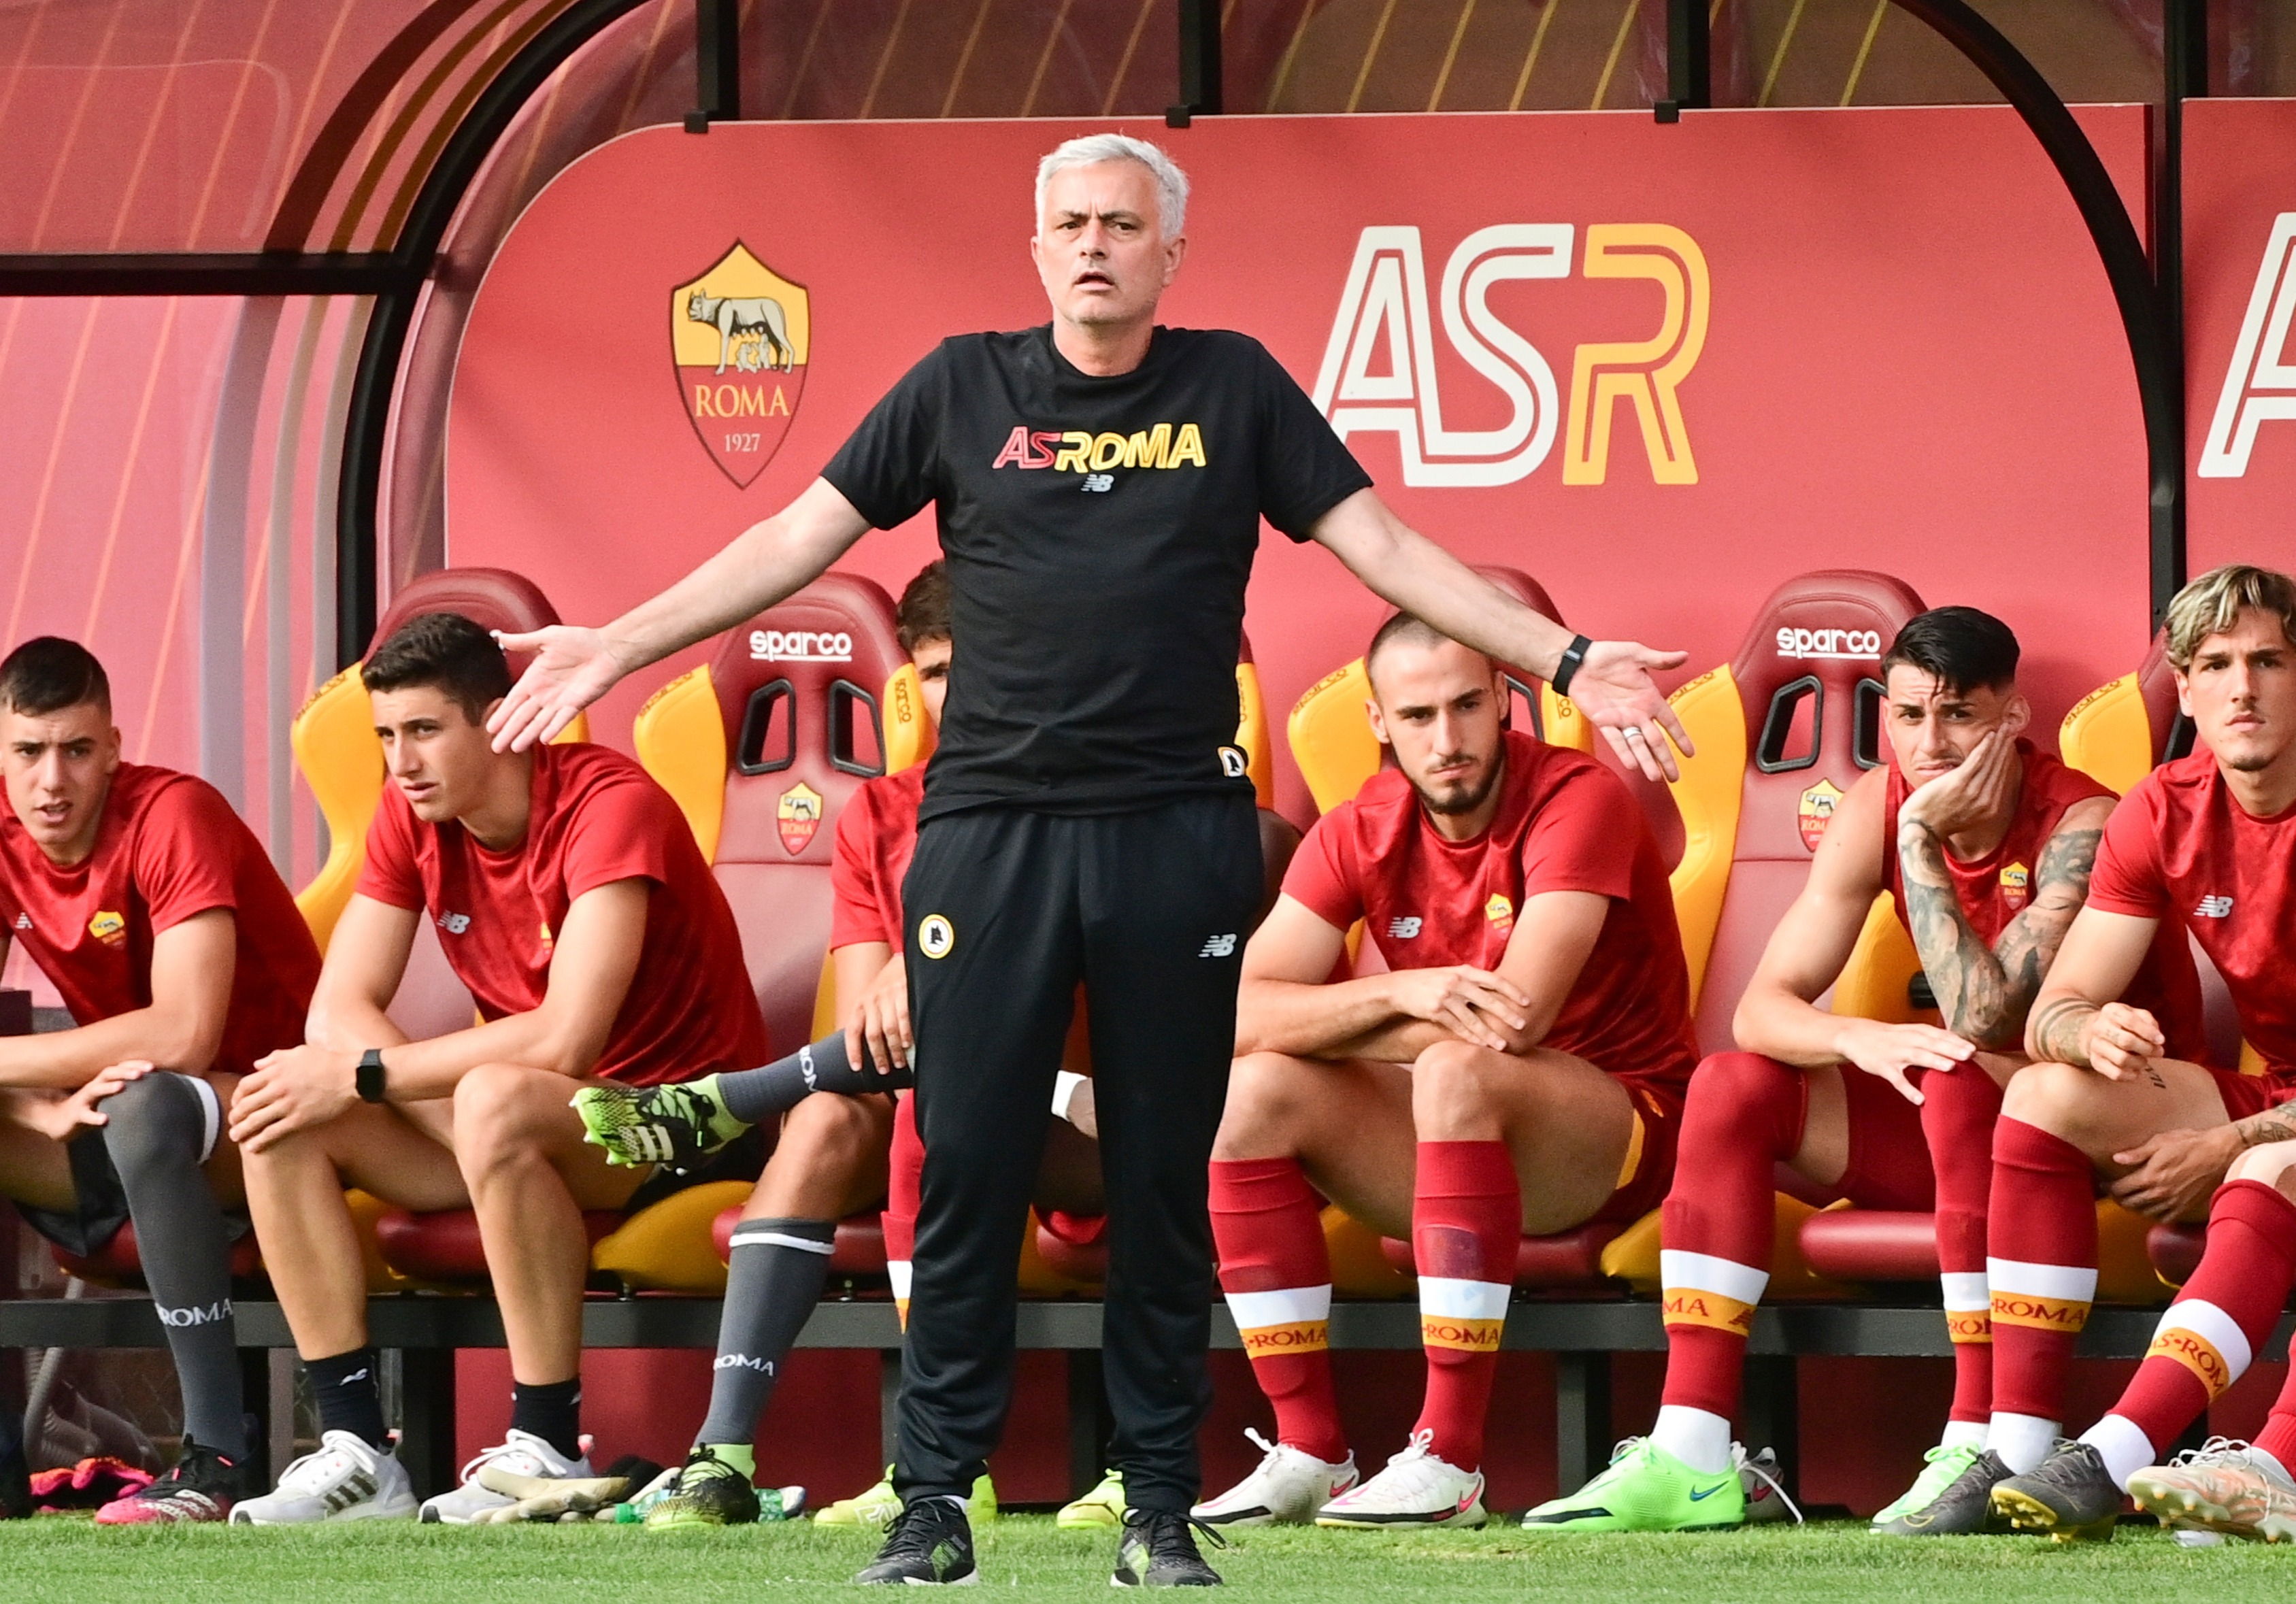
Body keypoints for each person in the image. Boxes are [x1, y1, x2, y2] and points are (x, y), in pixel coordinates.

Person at [486, 132, 1688, 1588]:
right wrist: (617, 640)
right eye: (1069, 224)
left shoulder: (1231, 386)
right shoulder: (955, 386)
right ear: (1037, 245)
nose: (1094, 244)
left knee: (1164, 1180)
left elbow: (1388, 554)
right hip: (988, 835)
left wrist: (1568, 661)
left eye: (1123, 223)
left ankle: (1158, 1511)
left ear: (1168, 251)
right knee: (967, 1167)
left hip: (1170, 836)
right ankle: (932, 1505)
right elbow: (788, 543)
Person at [1526, 606, 2204, 1535]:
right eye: (1911, 714)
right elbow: (1759, 1008)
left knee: (1963, 1069)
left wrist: (1920, 840)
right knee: (1733, 1084)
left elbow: (1988, 1017)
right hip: (1969, 1133)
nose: (1930, 742)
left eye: (1960, 715)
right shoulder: (1872, 804)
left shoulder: (2082, 818)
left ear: (2013, 717)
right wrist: (1859, 1040)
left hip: (2107, 1136)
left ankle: (1980, 1431)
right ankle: (1690, 1448)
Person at [573, 561, 1102, 1530]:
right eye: (938, 672)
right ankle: (721, 1454)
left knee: (932, 1096)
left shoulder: (1082, 793)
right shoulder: (881, 811)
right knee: (826, 1117)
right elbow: (870, 1026)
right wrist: (919, 971)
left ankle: (943, 1458)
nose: (962, 694)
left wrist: (934, 961)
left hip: (1082, 1121)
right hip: (932, 1103)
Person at [226, 613, 768, 1525]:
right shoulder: (411, 814)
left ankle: (546, 1440)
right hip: (527, 1125)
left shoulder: (609, 804)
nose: (401, 761)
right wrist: (415, 1099)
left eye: (427, 730)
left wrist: (370, 1079)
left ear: (505, 718)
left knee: (491, 1095)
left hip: (684, 1122)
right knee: (276, 1107)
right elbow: (335, 1007)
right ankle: (359, 1452)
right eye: (387, 736)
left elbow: (565, 1039)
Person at [1190, 614, 1698, 1531]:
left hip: (1620, 1133)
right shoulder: (1356, 828)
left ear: (1507, 701)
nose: (1449, 738)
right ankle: (1311, 1449)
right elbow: (1231, 1015)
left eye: (1468, 705)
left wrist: (1373, 1016)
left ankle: (1453, 1459)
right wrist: (1407, 994)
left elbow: (1516, 1017)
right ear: (1380, 722)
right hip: (1454, 1141)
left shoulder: (1579, 795)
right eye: (1419, 714)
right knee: (1251, 1091)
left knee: (1458, 1066)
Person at [1985, 565, 2296, 1543]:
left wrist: (2230, 1140)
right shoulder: (2165, 806)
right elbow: (2050, 1013)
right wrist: (2086, 1028)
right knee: (2044, 1094)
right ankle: (2021, 1442)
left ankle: (2131, 1453)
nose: (2242, 686)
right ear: (2187, 690)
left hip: (2274, 1128)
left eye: (2270, 660)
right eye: (2215, 664)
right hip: (2281, 1095)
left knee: (2267, 1159)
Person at [0, 637, 322, 1524]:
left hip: (274, 1118)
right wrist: (40, 1104)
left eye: (75, 749)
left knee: (145, 1107)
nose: (51, 780)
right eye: (27, 751)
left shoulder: (172, 812)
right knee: (133, 1109)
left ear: (113, 747)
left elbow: (184, 1032)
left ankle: (214, 1457)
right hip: (125, 1123)